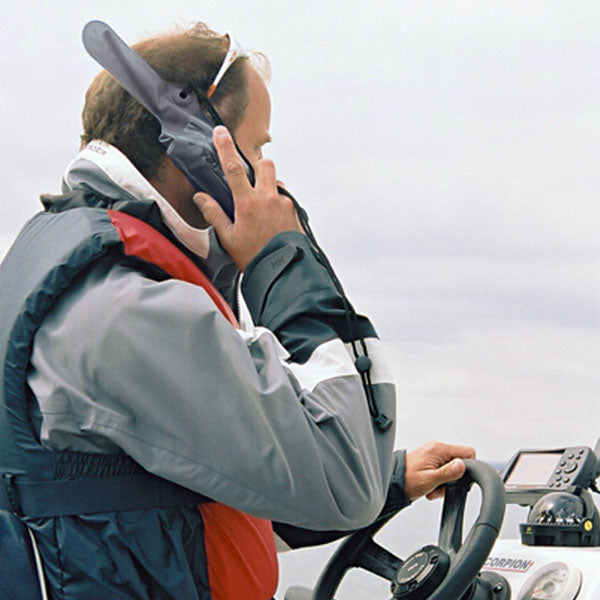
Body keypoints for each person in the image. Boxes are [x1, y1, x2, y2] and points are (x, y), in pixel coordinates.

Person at [0, 22, 474, 600]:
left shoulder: (82, 280)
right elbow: (347, 480)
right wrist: (284, 257)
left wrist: (391, 481)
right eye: (260, 148)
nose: (269, 175)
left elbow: (176, 501)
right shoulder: (123, 311)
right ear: (199, 144)